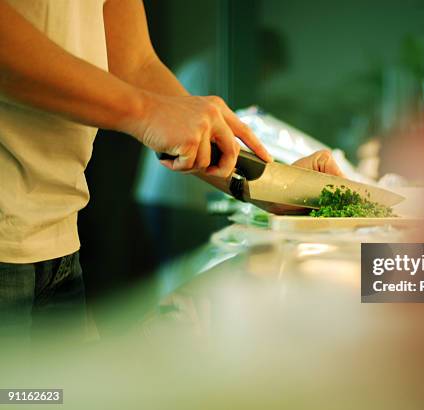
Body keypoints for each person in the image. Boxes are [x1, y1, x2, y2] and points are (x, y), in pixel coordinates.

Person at [0, 0, 341, 343]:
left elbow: (136, 65)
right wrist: (146, 112)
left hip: (58, 243)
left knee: (56, 398)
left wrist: (273, 185)